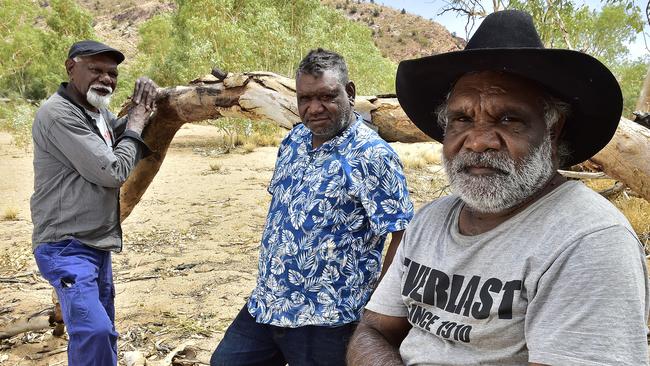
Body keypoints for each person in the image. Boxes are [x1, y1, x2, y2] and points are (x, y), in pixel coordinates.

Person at [347, 10, 649, 366]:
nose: (477, 142)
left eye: (507, 119)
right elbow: (372, 331)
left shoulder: (589, 241)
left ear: (553, 132)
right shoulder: (429, 221)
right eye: (461, 119)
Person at [210, 48, 414, 366]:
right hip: (267, 303)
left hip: (329, 318)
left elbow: (401, 235)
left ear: (349, 92)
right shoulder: (294, 141)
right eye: (305, 98)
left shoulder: (373, 155)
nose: (314, 108)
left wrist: (377, 308)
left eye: (326, 96)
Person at [31, 40, 157, 366]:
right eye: (96, 70)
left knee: (101, 332)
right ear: (71, 68)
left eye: (112, 73)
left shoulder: (95, 111)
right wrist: (137, 120)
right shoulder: (58, 114)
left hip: (95, 245)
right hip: (66, 246)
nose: (106, 79)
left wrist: (147, 110)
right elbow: (113, 170)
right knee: (96, 331)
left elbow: (117, 134)